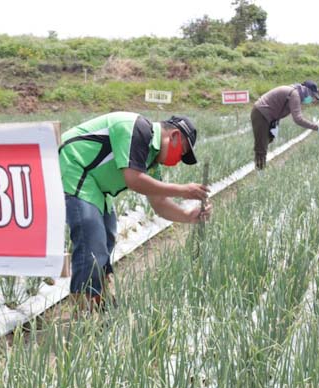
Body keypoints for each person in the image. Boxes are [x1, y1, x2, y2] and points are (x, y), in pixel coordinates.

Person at [60, 112, 211, 309]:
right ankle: (84, 311)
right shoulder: (138, 129)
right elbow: (134, 180)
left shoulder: (152, 159)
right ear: (173, 136)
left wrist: (187, 216)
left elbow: (159, 203)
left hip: (95, 183)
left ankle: (101, 298)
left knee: (107, 235)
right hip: (75, 165)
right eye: (181, 153)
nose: (178, 160)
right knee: (92, 238)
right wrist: (183, 190)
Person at [251, 80, 319, 170]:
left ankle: (259, 162)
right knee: (262, 144)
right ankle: (260, 171)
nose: (312, 99)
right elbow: (298, 119)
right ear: (306, 91)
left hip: (270, 116)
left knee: (268, 139)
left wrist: (275, 124)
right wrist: (317, 128)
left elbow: (279, 108)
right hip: (261, 113)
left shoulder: (295, 92)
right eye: (312, 96)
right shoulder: (295, 95)